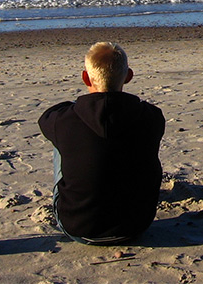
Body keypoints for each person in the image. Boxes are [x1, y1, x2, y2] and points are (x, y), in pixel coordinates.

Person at [39, 42, 165, 245]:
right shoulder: (152, 116)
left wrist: (76, 107)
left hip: (78, 227)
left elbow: (46, 118)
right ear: (128, 76)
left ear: (85, 77)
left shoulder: (64, 119)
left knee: (61, 138)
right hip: (137, 225)